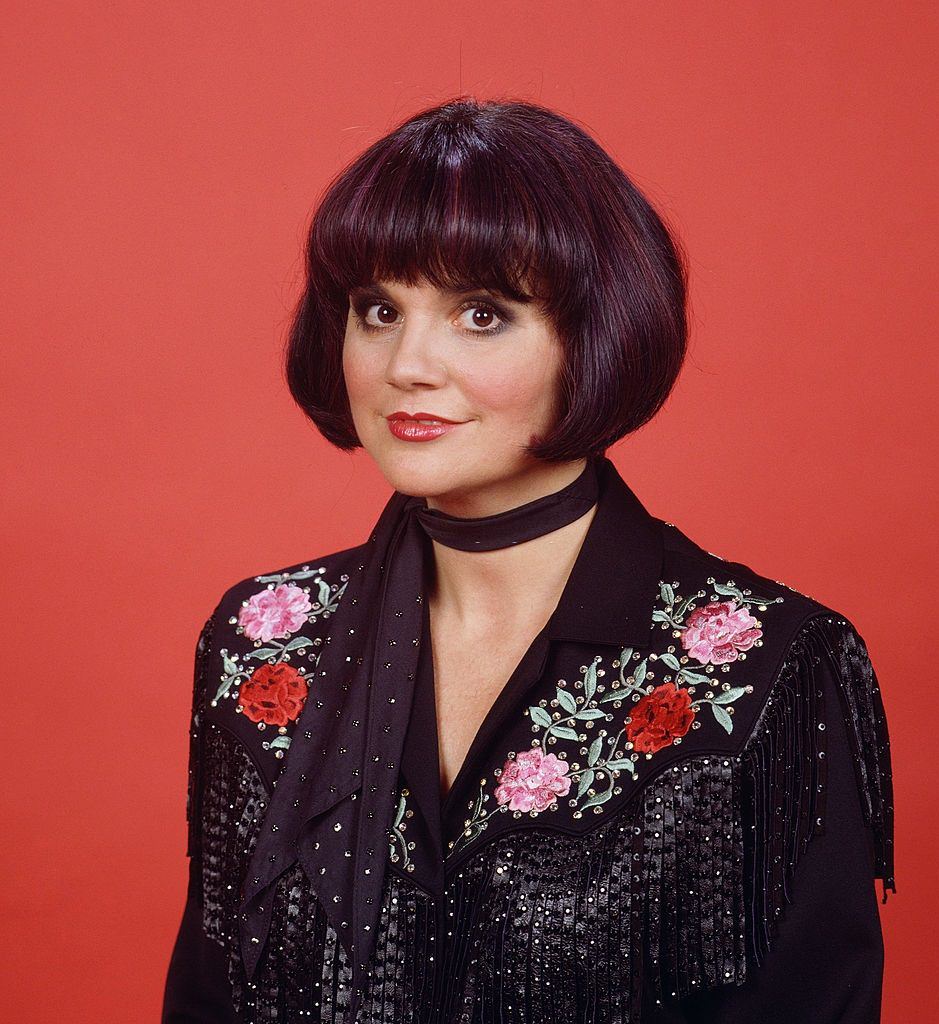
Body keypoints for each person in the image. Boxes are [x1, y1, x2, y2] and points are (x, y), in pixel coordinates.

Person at [161, 97, 895, 1024]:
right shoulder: (266, 641)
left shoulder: (767, 668)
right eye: (378, 309)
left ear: (592, 336)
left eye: (480, 314)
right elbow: (210, 996)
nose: (408, 364)